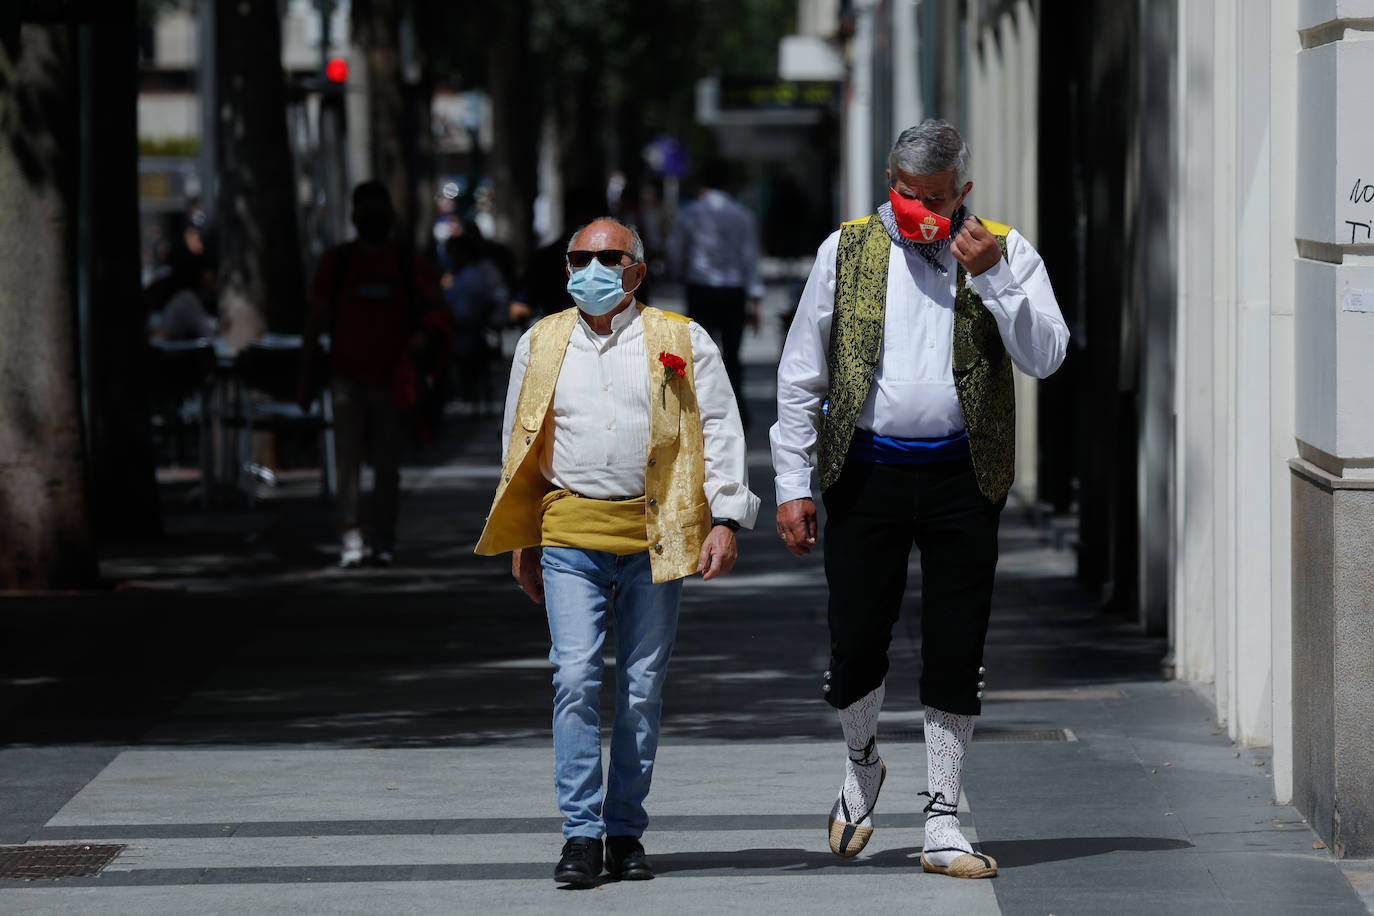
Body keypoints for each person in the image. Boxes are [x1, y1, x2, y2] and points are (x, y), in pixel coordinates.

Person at [770, 120, 1069, 879]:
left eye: (936, 199)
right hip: (865, 473)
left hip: (964, 476)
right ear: (889, 184)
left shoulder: (1005, 248)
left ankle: (942, 814)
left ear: (962, 192)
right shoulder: (847, 249)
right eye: (906, 196)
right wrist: (793, 484)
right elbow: (803, 373)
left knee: (956, 642)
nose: (920, 210)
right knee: (856, 637)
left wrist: (997, 278)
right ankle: (862, 762)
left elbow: (1047, 355)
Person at [476, 217, 759, 888]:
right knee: (574, 677)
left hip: (655, 535)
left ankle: (625, 830)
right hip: (569, 532)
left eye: (607, 257)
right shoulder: (540, 341)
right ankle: (581, 833)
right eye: (579, 257)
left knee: (640, 688)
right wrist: (521, 537)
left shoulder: (682, 340)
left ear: (637, 270)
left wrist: (728, 519)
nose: (591, 269)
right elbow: (516, 441)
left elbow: (719, 426)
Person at [298, 181, 443, 568]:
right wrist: (307, 371)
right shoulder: (338, 261)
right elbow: (316, 317)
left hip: (391, 382)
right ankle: (351, 537)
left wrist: (420, 339)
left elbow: (436, 312)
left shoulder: (406, 263)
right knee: (347, 464)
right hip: (346, 378)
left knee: (386, 466)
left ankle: (382, 539)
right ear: (354, 216)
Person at [667, 158, 765, 429]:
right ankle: (738, 411)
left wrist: (678, 273)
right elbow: (749, 259)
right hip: (733, 292)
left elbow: (677, 251)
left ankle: (700, 410)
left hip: (701, 290)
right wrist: (755, 299)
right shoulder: (743, 215)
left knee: (700, 352)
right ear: (730, 183)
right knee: (732, 355)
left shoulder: (689, 213)